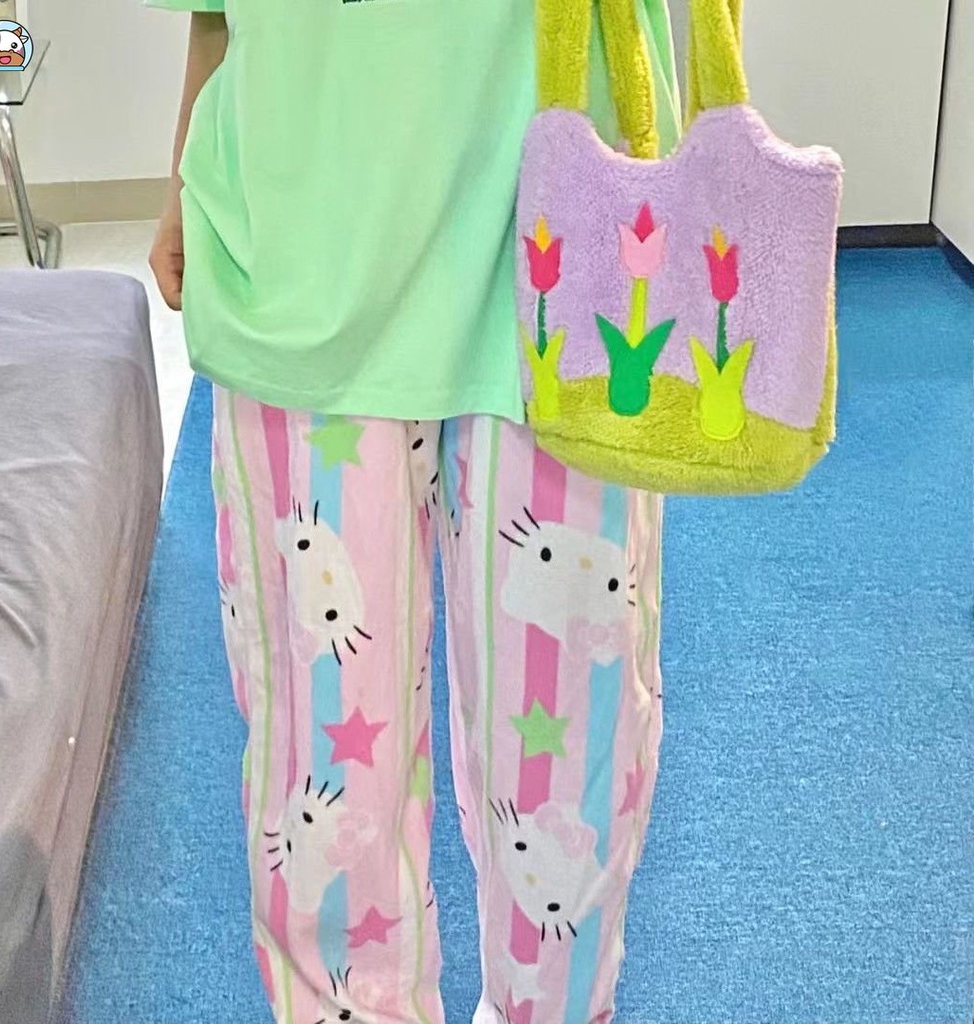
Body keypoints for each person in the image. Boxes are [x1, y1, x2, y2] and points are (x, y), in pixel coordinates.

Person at [146, 2, 681, 1022]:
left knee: (568, 761)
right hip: (302, 254)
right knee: (324, 775)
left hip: (568, 255)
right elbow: (212, 16)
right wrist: (179, 177)